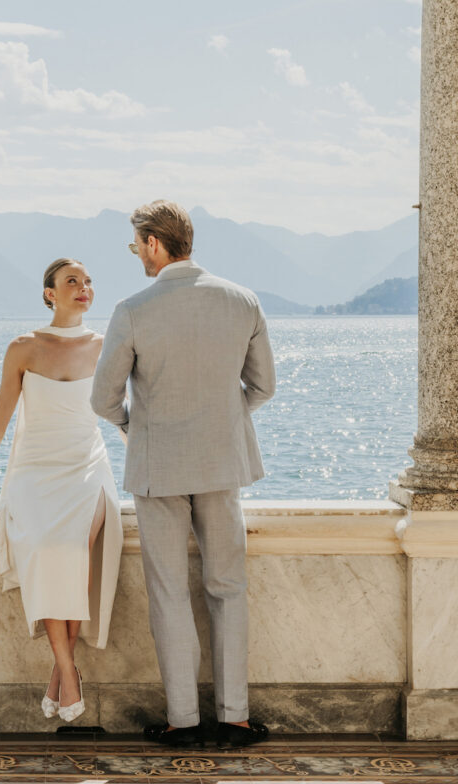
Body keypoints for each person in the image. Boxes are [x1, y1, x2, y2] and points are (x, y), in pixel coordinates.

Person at [91, 200, 276, 748]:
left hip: (158, 466)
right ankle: (236, 718)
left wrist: (135, 426)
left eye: (135, 246)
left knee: (170, 592)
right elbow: (262, 388)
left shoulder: (132, 309)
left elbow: (103, 399)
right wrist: (221, 417)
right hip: (223, 464)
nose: (137, 256)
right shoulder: (242, 300)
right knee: (229, 588)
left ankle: (183, 721)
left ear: (153, 243)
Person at [0, 258, 123, 723]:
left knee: (72, 553)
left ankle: (62, 673)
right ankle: (67, 668)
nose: (83, 288)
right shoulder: (23, 348)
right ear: (49, 293)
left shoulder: (107, 347)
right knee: (44, 548)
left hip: (86, 468)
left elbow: (124, 417)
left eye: (88, 281)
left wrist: (155, 474)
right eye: (72, 282)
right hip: (33, 472)